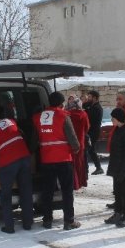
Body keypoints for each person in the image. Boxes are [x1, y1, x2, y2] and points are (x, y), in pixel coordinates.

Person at [32, 91, 81, 230]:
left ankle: (47, 220)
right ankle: (69, 221)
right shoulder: (63, 116)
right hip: (64, 159)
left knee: (47, 190)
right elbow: (73, 139)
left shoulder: (37, 117)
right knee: (66, 191)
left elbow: (34, 140)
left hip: (46, 159)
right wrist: (76, 148)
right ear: (61, 103)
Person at [0, 110, 34, 234]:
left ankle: (9, 227)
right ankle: (28, 224)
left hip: (8, 162)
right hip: (25, 158)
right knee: (26, 191)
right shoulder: (11, 121)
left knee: (6, 195)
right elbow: (23, 135)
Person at [104, 107, 125, 228]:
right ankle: (118, 213)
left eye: (113, 118)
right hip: (116, 168)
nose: (111, 119)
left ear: (118, 119)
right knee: (117, 193)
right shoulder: (117, 130)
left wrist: (124, 171)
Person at [66, 95, 89, 190]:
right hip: (80, 141)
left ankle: (73, 183)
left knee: (71, 163)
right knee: (80, 163)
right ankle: (80, 182)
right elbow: (87, 127)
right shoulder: (84, 114)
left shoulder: (68, 114)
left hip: (69, 142)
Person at [83, 90, 104, 175]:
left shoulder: (97, 108)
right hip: (91, 131)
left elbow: (90, 117)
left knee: (90, 149)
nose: (88, 98)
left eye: (90, 97)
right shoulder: (91, 106)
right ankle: (97, 167)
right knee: (90, 150)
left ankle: (98, 167)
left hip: (93, 132)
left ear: (95, 98)